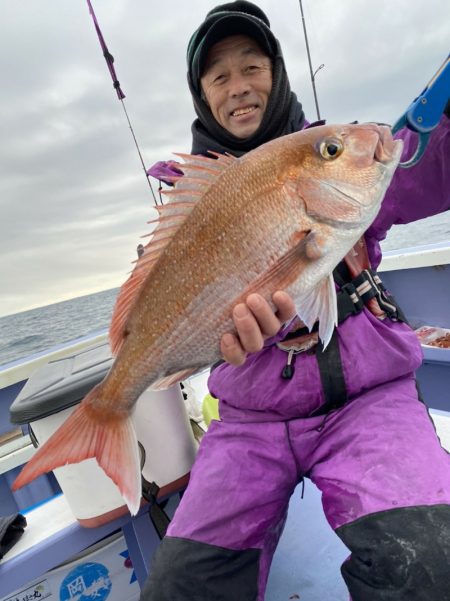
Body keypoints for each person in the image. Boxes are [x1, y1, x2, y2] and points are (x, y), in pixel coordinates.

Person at [141, 2, 450, 600]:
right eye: (219, 76)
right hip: (249, 424)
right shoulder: (186, 201)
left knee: (433, 564)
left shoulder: (341, 157)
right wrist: (208, 340)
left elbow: (423, 160)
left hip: (368, 404)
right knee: (179, 587)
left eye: (252, 66)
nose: (239, 87)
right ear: (203, 97)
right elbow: (168, 302)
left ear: (277, 73)